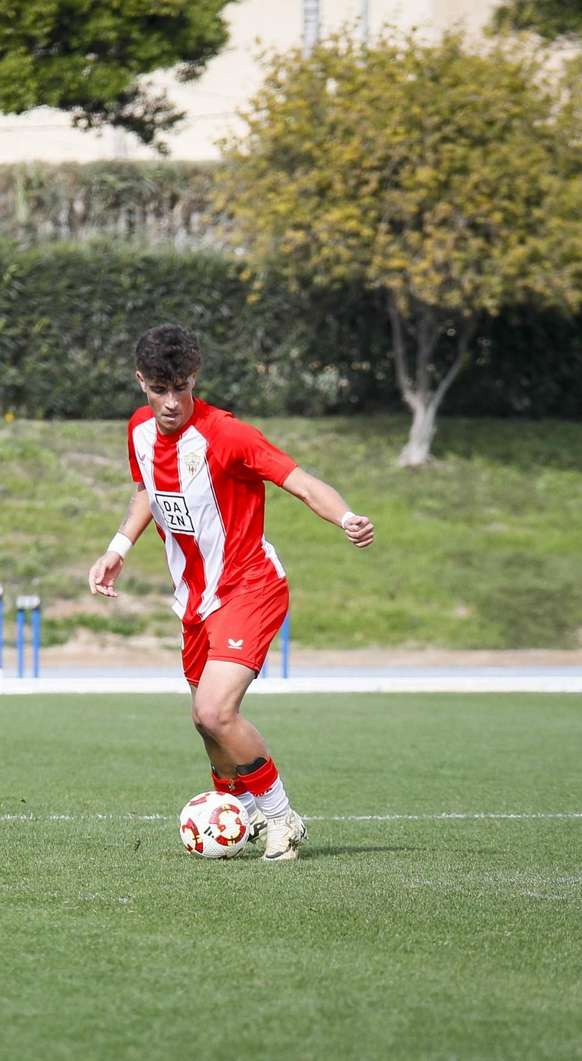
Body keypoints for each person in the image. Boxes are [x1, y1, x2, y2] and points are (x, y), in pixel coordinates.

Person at [87, 324, 374, 861]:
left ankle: (281, 817)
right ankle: (231, 809)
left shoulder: (229, 435)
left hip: (250, 587)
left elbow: (303, 482)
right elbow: (147, 490)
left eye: (181, 388)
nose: (171, 402)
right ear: (141, 382)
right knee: (204, 719)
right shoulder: (139, 431)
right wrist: (118, 549)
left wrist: (348, 517)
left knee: (215, 711)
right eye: (158, 389)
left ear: (193, 378)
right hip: (194, 598)